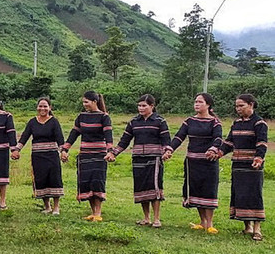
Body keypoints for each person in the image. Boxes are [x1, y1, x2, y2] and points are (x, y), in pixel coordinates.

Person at [163, 93, 222, 233]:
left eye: (200, 102)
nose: (197, 104)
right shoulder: (189, 121)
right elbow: (179, 137)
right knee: (195, 190)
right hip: (192, 162)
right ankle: (202, 222)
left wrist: (213, 149)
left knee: (209, 190)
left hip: (208, 162)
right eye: (195, 101)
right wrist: (169, 149)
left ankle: (210, 224)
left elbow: (218, 139)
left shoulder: (215, 122)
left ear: (208, 105)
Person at [111, 94, 170, 228]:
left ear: (152, 106)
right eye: (139, 105)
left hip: (154, 158)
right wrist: (114, 153)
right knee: (142, 187)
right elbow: (124, 140)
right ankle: (146, 218)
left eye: (144, 105)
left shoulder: (160, 121)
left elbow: (166, 140)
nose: (141, 108)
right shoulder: (133, 122)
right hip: (138, 158)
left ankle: (156, 219)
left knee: (154, 187)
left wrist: (167, 151)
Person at [217, 93, 267, 240]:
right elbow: (229, 142)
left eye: (241, 105)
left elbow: (262, 143)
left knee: (254, 195)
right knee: (241, 195)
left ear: (251, 105)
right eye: (236, 106)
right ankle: (247, 227)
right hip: (237, 165)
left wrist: (259, 158)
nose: (238, 108)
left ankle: (257, 229)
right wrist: (219, 152)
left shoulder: (259, 124)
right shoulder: (236, 123)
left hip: (252, 166)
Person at [60, 91, 114, 221]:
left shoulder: (104, 117)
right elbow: (74, 134)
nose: (84, 105)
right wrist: (65, 149)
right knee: (87, 183)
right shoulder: (81, 117)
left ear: (94, 102)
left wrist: (110, 151)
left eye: (86, 102)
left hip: (99, 155)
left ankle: (98, 213)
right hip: (85, 155)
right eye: (83, 102)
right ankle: (92, 212)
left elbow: (108, 136)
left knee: (97, 182)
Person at [12, 97, 65, 215]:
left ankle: (56, 207)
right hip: (37, 156)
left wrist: (63, 152)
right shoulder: (32, 122)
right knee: (41, 179)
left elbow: (60, 138)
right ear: (37, 107)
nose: (42, 108)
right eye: (40, 106)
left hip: (52, 156)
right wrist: (17, 150)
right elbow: (24, 137)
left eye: (45, 106)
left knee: (54, 179)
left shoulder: (54, 122)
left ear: (50, 108)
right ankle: (47, 206)